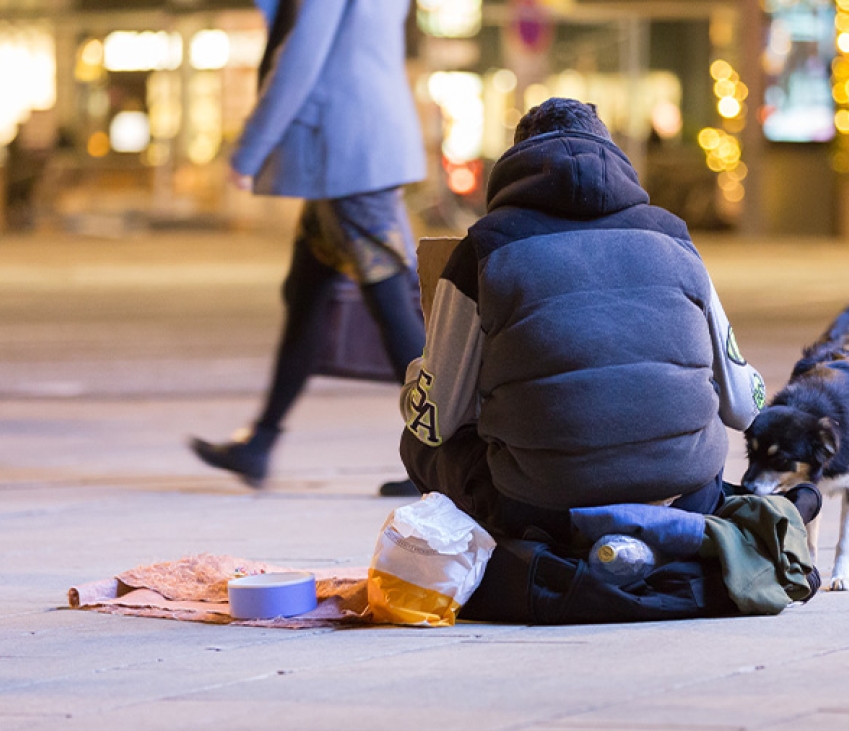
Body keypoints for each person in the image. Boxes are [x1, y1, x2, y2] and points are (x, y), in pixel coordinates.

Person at [397, 98, 809, 543]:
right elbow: (745, 407)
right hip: (689, 499)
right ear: (614, 156)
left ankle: (515, 557)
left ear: (516, 164)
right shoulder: (673, 236)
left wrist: (418, 378)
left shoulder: (483, 249)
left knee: (417, 445)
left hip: (544, 511)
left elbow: (434, 420)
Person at [190, 0, 426, 490]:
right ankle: (261, 442)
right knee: (307, 298)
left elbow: (302, 56)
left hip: (347, 156)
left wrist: (250, 148)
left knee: (392, 306)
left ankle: (445, 453)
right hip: (351, 149)